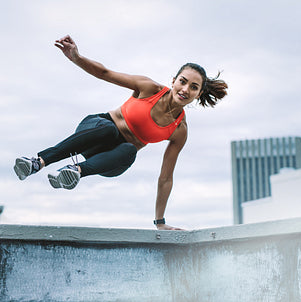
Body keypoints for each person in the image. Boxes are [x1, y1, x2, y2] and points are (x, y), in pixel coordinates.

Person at [14, 35, 228, 230]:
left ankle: (75, 172)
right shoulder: (149, 88)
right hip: (94, 132)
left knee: (129, 150)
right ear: (174, 81)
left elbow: (165, 178)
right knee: (108, 129)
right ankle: (38, 161)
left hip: (109, 159)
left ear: (198, 94)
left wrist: (160, 222)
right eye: (182, 81)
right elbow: (104, 73)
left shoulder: (179, 130)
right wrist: (76, 58)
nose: (185, 89)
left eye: (193, 87)